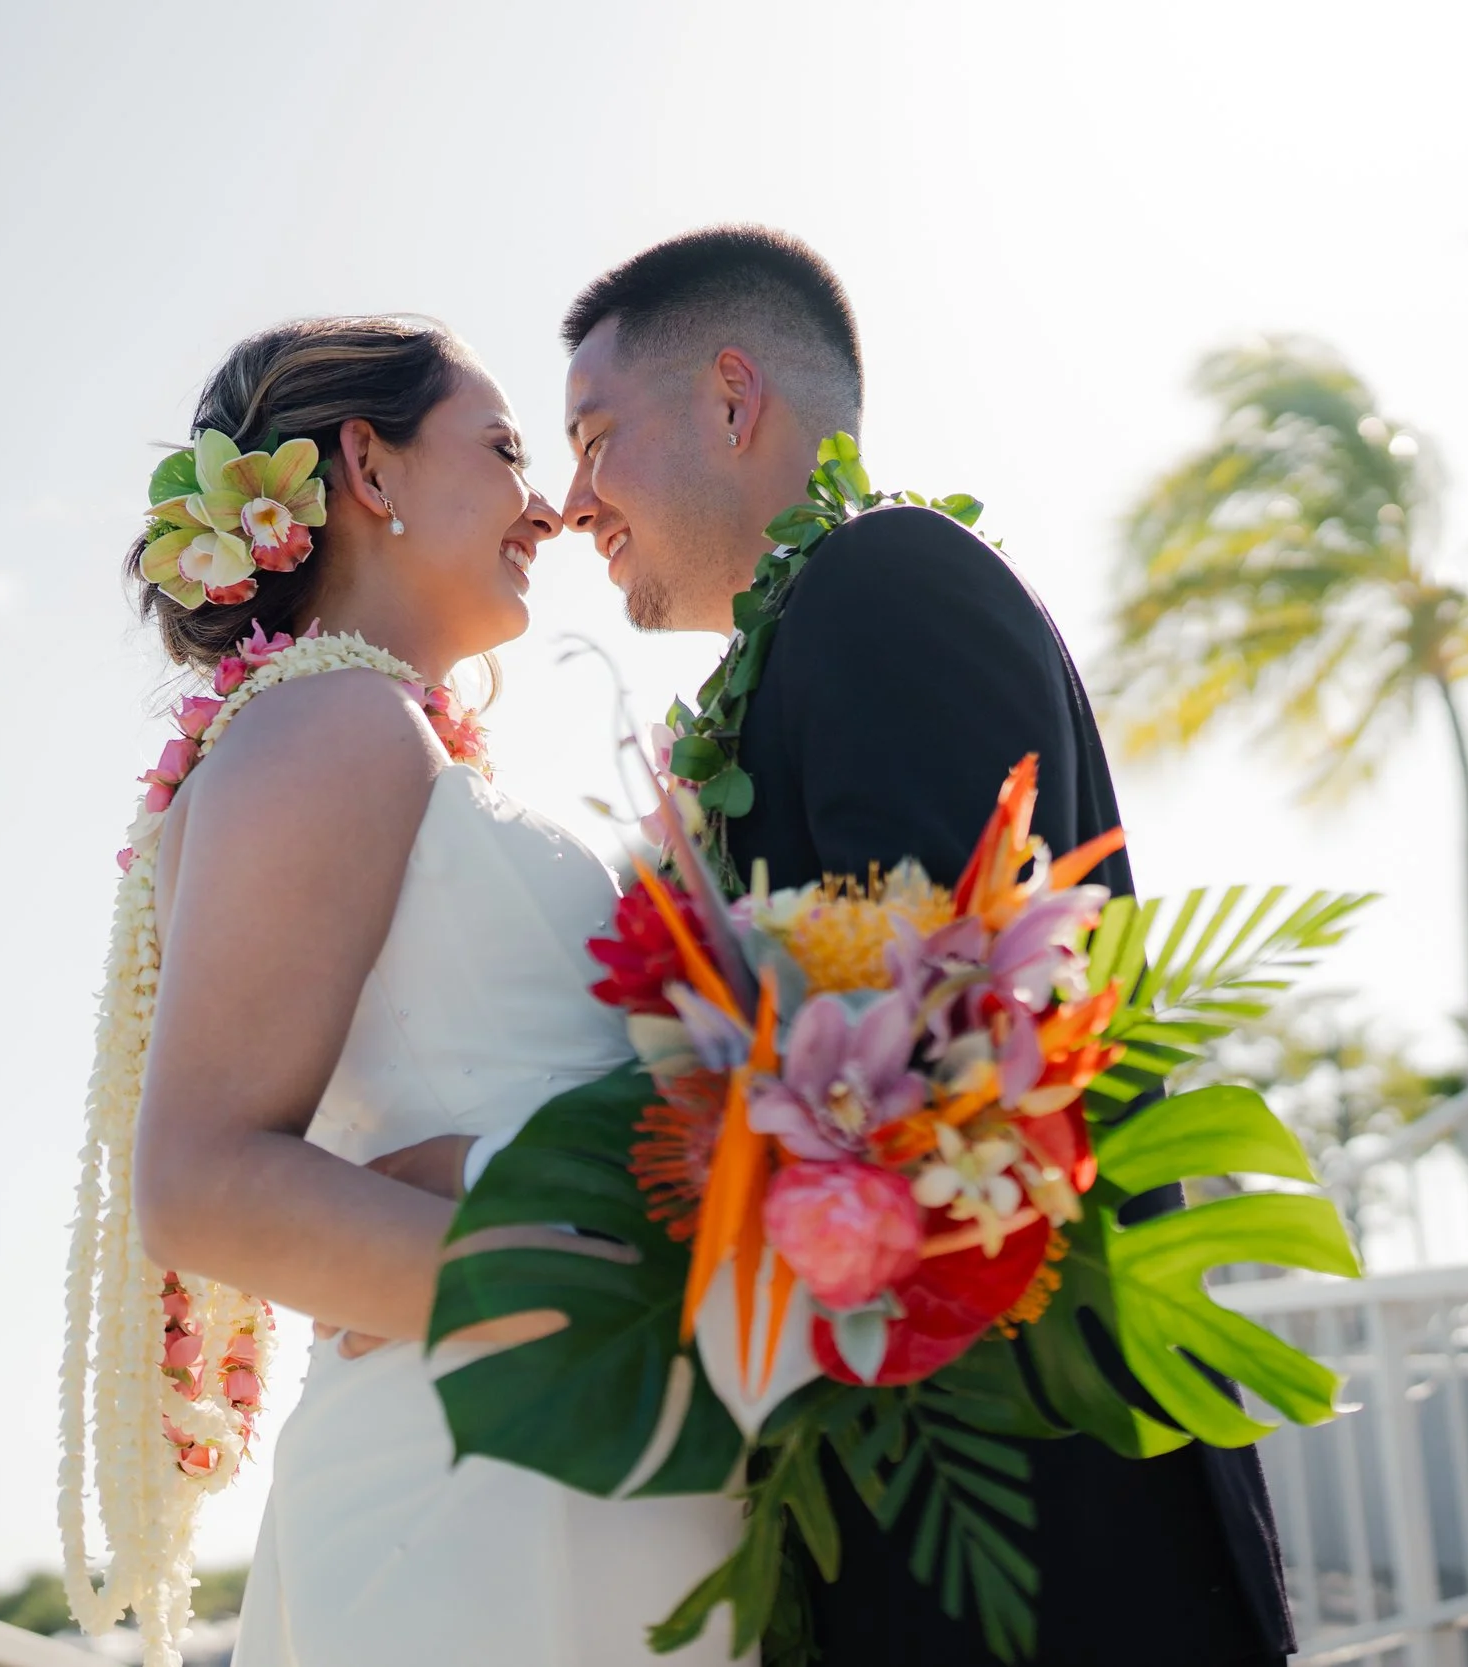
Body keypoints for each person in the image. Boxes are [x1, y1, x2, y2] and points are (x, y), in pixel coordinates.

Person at [561, 227, 1295, 1666]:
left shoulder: (887, 582)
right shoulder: (822, 621)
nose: (571, 498)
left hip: (1032, 1505)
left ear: (731, 395)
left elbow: (945, 1044)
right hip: (922, 1479)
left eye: (594, 438)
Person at [70, 315, 741, 1667]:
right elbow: (198, 1177)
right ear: (368, 471)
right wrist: (550, 1247)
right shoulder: (332, 720)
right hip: (489, 1483)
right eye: (500, 448)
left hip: (554, 1445)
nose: (548, 502)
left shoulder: (367, 728)